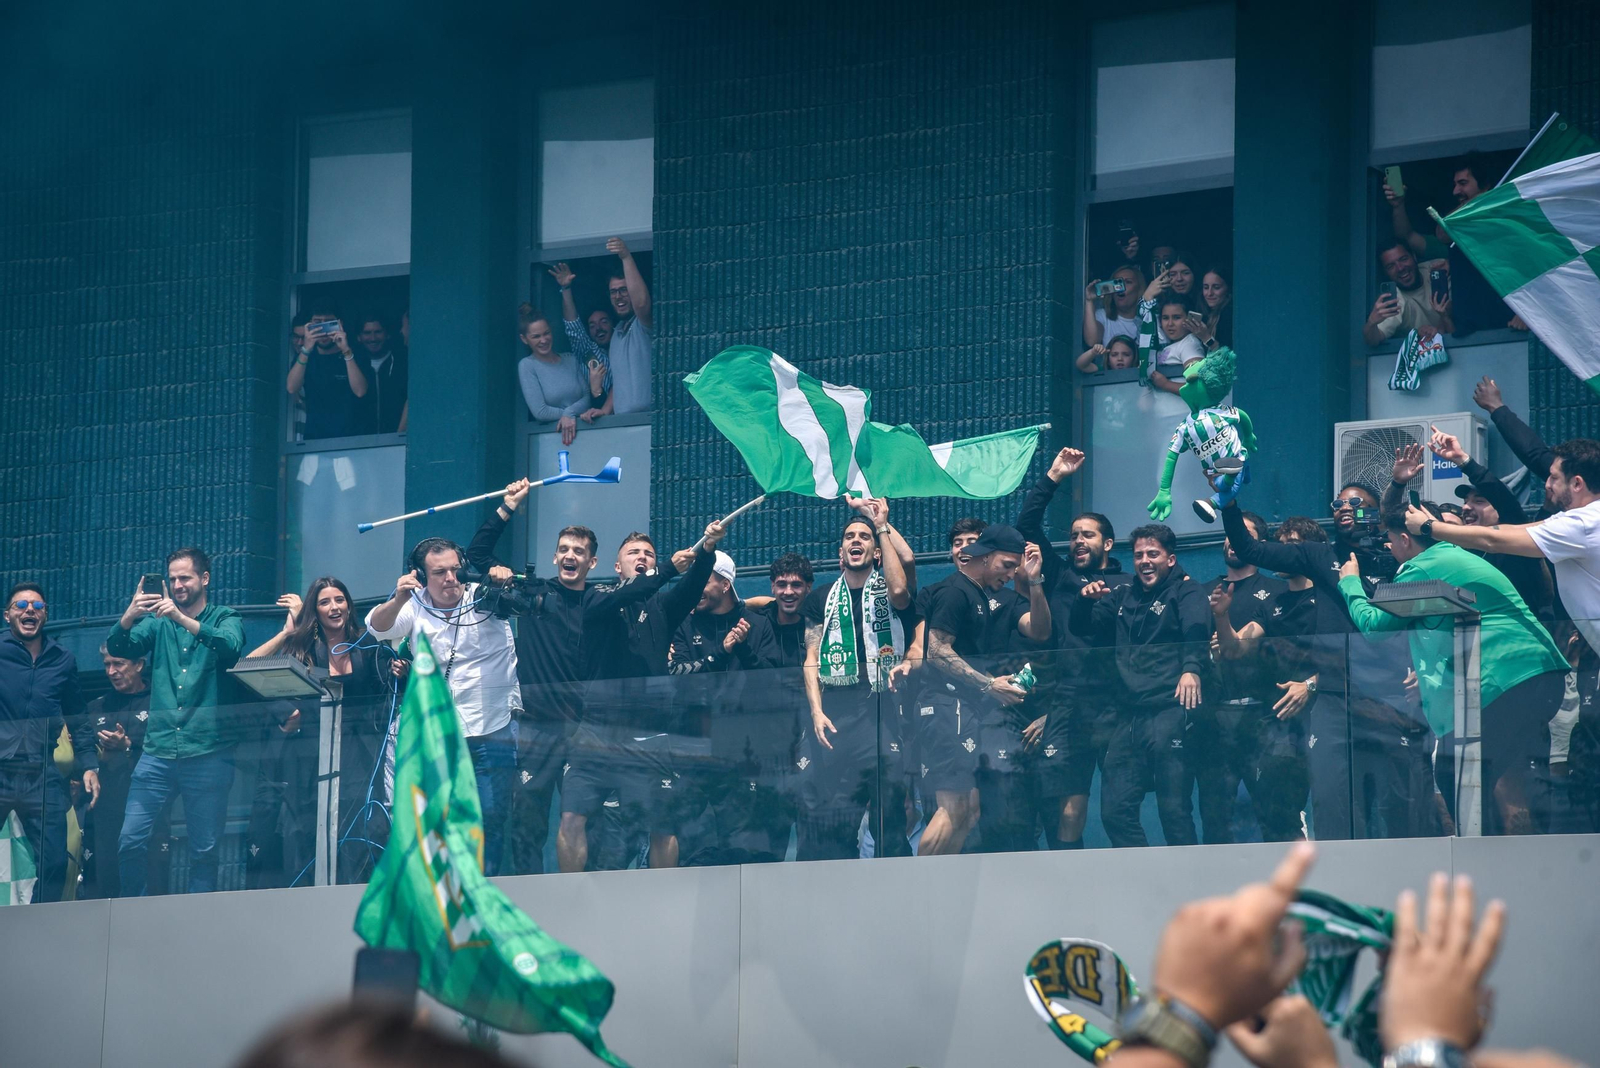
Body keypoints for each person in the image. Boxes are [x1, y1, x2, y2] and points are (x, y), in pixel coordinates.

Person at [1343, 507, 1569, 835]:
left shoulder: (1421, 566)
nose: (1388, 550)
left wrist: (1350, 582)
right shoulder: (1452, 556)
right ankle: (1498, 866)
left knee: (1455, 774)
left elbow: (1374, 625)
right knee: (1486, 782)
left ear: (1405, 539)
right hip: (1541, 677)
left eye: (1390, 541)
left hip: (1505, 681)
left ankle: (1480, 869)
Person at [366, 536, 522, 875]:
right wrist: (399, 597)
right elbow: (378, 628)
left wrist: (501, 577)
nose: (451, 579)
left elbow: (514, 599)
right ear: (422, 576)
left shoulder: (482, 596)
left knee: (492, 815)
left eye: (455, 569)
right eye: (440, 573)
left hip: (492, 727)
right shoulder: (414, 603)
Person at [574, 526, 722, 872]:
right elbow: (631, 593)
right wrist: (666, 568)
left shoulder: (662, 607)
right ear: (616, 566)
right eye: (633, 553)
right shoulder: (599, 598)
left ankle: (664, 901)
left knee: (662, 823)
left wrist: (707, 551)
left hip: (649, 732)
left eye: (648, 554)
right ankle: (571, 898)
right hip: (598, 731)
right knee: (574, 815)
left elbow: (690, 588)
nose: (642, 558)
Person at [109, 548, 246, 896]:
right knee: (130, 840)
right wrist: (129, 614)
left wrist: (181, 619)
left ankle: (199, 927)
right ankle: (134, 916)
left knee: (205, 850)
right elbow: (120, 647)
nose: (177, 585)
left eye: (184, 577)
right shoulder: (156, 624)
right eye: (171, 579)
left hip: (208, 751)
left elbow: (231, 645)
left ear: (204, 579)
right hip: (157, 753)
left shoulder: (226, 615)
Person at [1015, 447, 1133, 849]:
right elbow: (1027, 525)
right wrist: (1053, 476)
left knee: (1118, 808)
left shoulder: (1132, 585)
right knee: (1068, 810)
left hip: (1118, 704)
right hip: (1068, 703)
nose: (1079, 540)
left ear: (1109, 543)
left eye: (1089, 534)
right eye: (1075, 534)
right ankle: (1070, 892)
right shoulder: (1061, 575)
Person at [247, 577, 394, 886]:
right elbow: (253, 673)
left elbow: (386, 691)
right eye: (325, 602)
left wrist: (399, 670)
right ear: (315, 610)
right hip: (313, 756)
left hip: (358, 755)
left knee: (358, 832)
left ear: (349, 605)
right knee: (312, 834)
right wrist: (287, 713)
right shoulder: (302, 647)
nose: (334, 607)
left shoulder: (365, 643)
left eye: (339, 599)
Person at [1070, 524, 1209, 847]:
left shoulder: (1188, 591)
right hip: (1127, 716)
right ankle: (1145, 883)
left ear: (1170, 559)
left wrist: (1191, 669)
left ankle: (1187, 888)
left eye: (1153, 554)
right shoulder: (1123, 593)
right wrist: (1083, 600)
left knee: (1173, 810)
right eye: (1138, 555)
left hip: (1171, 711)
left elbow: (1197, 630)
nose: (1145, 561)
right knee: (1114, 812)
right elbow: (1082, 626)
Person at [798, 500, 922, 860]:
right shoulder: (821, 598)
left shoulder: (891, 590)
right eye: (850, 536)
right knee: (835, 817)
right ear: (841, 552)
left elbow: (906, 571)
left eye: (864, 537)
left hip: (882, 712)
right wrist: (817, 713)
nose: (857, 540)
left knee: (888, 817)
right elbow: (810, 659)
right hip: (836, 713)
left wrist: (880, 523)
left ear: (876, 549)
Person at [918, 523, 1050, 855]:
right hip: (947, 708)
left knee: (970, 812)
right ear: (986, 556)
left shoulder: (979, 594)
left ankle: (941, 889)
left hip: (964, 710)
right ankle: (917, 892)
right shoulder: (956, 591)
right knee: (953, 808)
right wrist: (989, 684)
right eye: (1007, 565)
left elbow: (1040, 631)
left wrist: (1033, 579)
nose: (1010, 574)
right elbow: (935, 651)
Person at [1408, 439, 1600, 658]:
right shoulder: (1583, 520)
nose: (1547, 485)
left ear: (1577, 483)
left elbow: (1493, 540)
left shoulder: (1584, 523)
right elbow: (1520, 529)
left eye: (1554, 477)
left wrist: (1428, 527)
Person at [669, 550, 784, 861]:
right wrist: (722, 651)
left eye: (702, 580)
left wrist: (744, 650)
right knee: (692, 849)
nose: (693, 588)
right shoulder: (685, 623)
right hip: (693, 749)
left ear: (724, 584)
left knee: (739, 847)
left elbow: (771, 685)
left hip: (742, 753)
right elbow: (679, 677)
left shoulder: (757, 625)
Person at [0, 584, 97, 903]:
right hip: (1, 768)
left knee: (55, 861)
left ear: (45, 614)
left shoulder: (62, 659)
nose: (30, 609)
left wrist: (89, 765)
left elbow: (78, 717)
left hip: (42, 773)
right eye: (21, 605)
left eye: (37, 605)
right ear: (8, 615)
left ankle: (40, 929)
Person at [1388, 434, 1555, 615]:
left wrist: (1464, 462)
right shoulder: (1457, 549)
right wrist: (1398, 484)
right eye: (1466, 501)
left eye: (1479, 501)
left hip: (1511, 632)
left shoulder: (1516, 544)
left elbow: (1503, 498)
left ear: (1500, 510)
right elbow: (1392, 523)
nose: (1466, 507)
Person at [1197, 511, 1286, 844]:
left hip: (1264, 716)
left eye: (1242, 533)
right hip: (1214, 718)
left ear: (1257, 543)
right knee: (1214, 817)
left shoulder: (1276, 590)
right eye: (1228, 534)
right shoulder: (1203, 591)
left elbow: (1241, 646)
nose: (1232, 539)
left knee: (1273, 813)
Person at [77, 645, 172, 899]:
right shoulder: (96, 707)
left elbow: (172, 754)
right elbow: (80, 753)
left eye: (118, 664)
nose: (111, 671)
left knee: (152, 888)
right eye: (107, 664)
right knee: (104, 891)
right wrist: (97, 760)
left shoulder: (162, 703)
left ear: (139, 665)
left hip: (150, 810)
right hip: (104, 814)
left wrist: (128, 746)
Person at [515, 305, 603, 446]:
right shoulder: (527, 366)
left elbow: (587, 397)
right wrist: (568, 415)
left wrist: (569, 414)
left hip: (588, 435)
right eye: (536, 336)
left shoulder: (571, 359)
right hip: (554, 441)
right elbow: (540, 411)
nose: (543, 340)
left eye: (546, 333)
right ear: (524, 339)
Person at [288, 305, 370, 440]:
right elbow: (291, 387)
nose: (322, 330)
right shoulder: (306, 356)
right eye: (317, 324)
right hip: (314, 441)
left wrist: (345, 350)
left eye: (328, 323)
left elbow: (360, 391)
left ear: (339, 324)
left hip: (351, 441)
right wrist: (306, 349)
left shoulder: (356, 353)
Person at [549, 261, 613, 425]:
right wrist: (566, 289)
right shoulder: (587, 350)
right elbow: (573, 325)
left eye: (604, 322)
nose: (598, 328)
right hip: (590, 420)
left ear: (613, 324)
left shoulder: (626, 345)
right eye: (592, 325)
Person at [1362, 243, 1452, 346]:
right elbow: (1373, 340)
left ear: (1414, 257)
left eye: (1403, 259)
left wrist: (1453, 264)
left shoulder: (1436, 269)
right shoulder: (1395, 300)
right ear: (1385, 272)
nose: (1400, 268)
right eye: (1391, 266)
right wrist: (1371, 323)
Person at [602, 236, 652, 415]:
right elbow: (619, 382)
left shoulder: (643, 325)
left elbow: (641, 303)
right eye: (613, 292)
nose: (618, 296)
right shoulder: (616, 334)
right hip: (623, 424)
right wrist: (605, 410)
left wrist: (626, 257)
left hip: (649, 422)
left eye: (624, 290)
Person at [356, 313, 408, 435]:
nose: (373, 338)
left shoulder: (403, 362)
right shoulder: (352, 365)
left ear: (387, 334)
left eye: (378, 332)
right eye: (367, 333)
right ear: (359, 337)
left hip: (396, 441)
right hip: (358, 444)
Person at [1082, 265, 1145, 347]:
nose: (1121, 287)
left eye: (1128, 282)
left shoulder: (1148, 317)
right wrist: (1089, 300)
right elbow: (1092, 341)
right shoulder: (1103, 315)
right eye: (1117, 282)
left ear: (1139, 288)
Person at [1192, 264, 1232, 349]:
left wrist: (1206, 337)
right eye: (1206, 287)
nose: (1209, 293)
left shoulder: (1230, 315)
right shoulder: (1204, 313)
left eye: (1216, 287)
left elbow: (1227, 357)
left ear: (1228, 288)